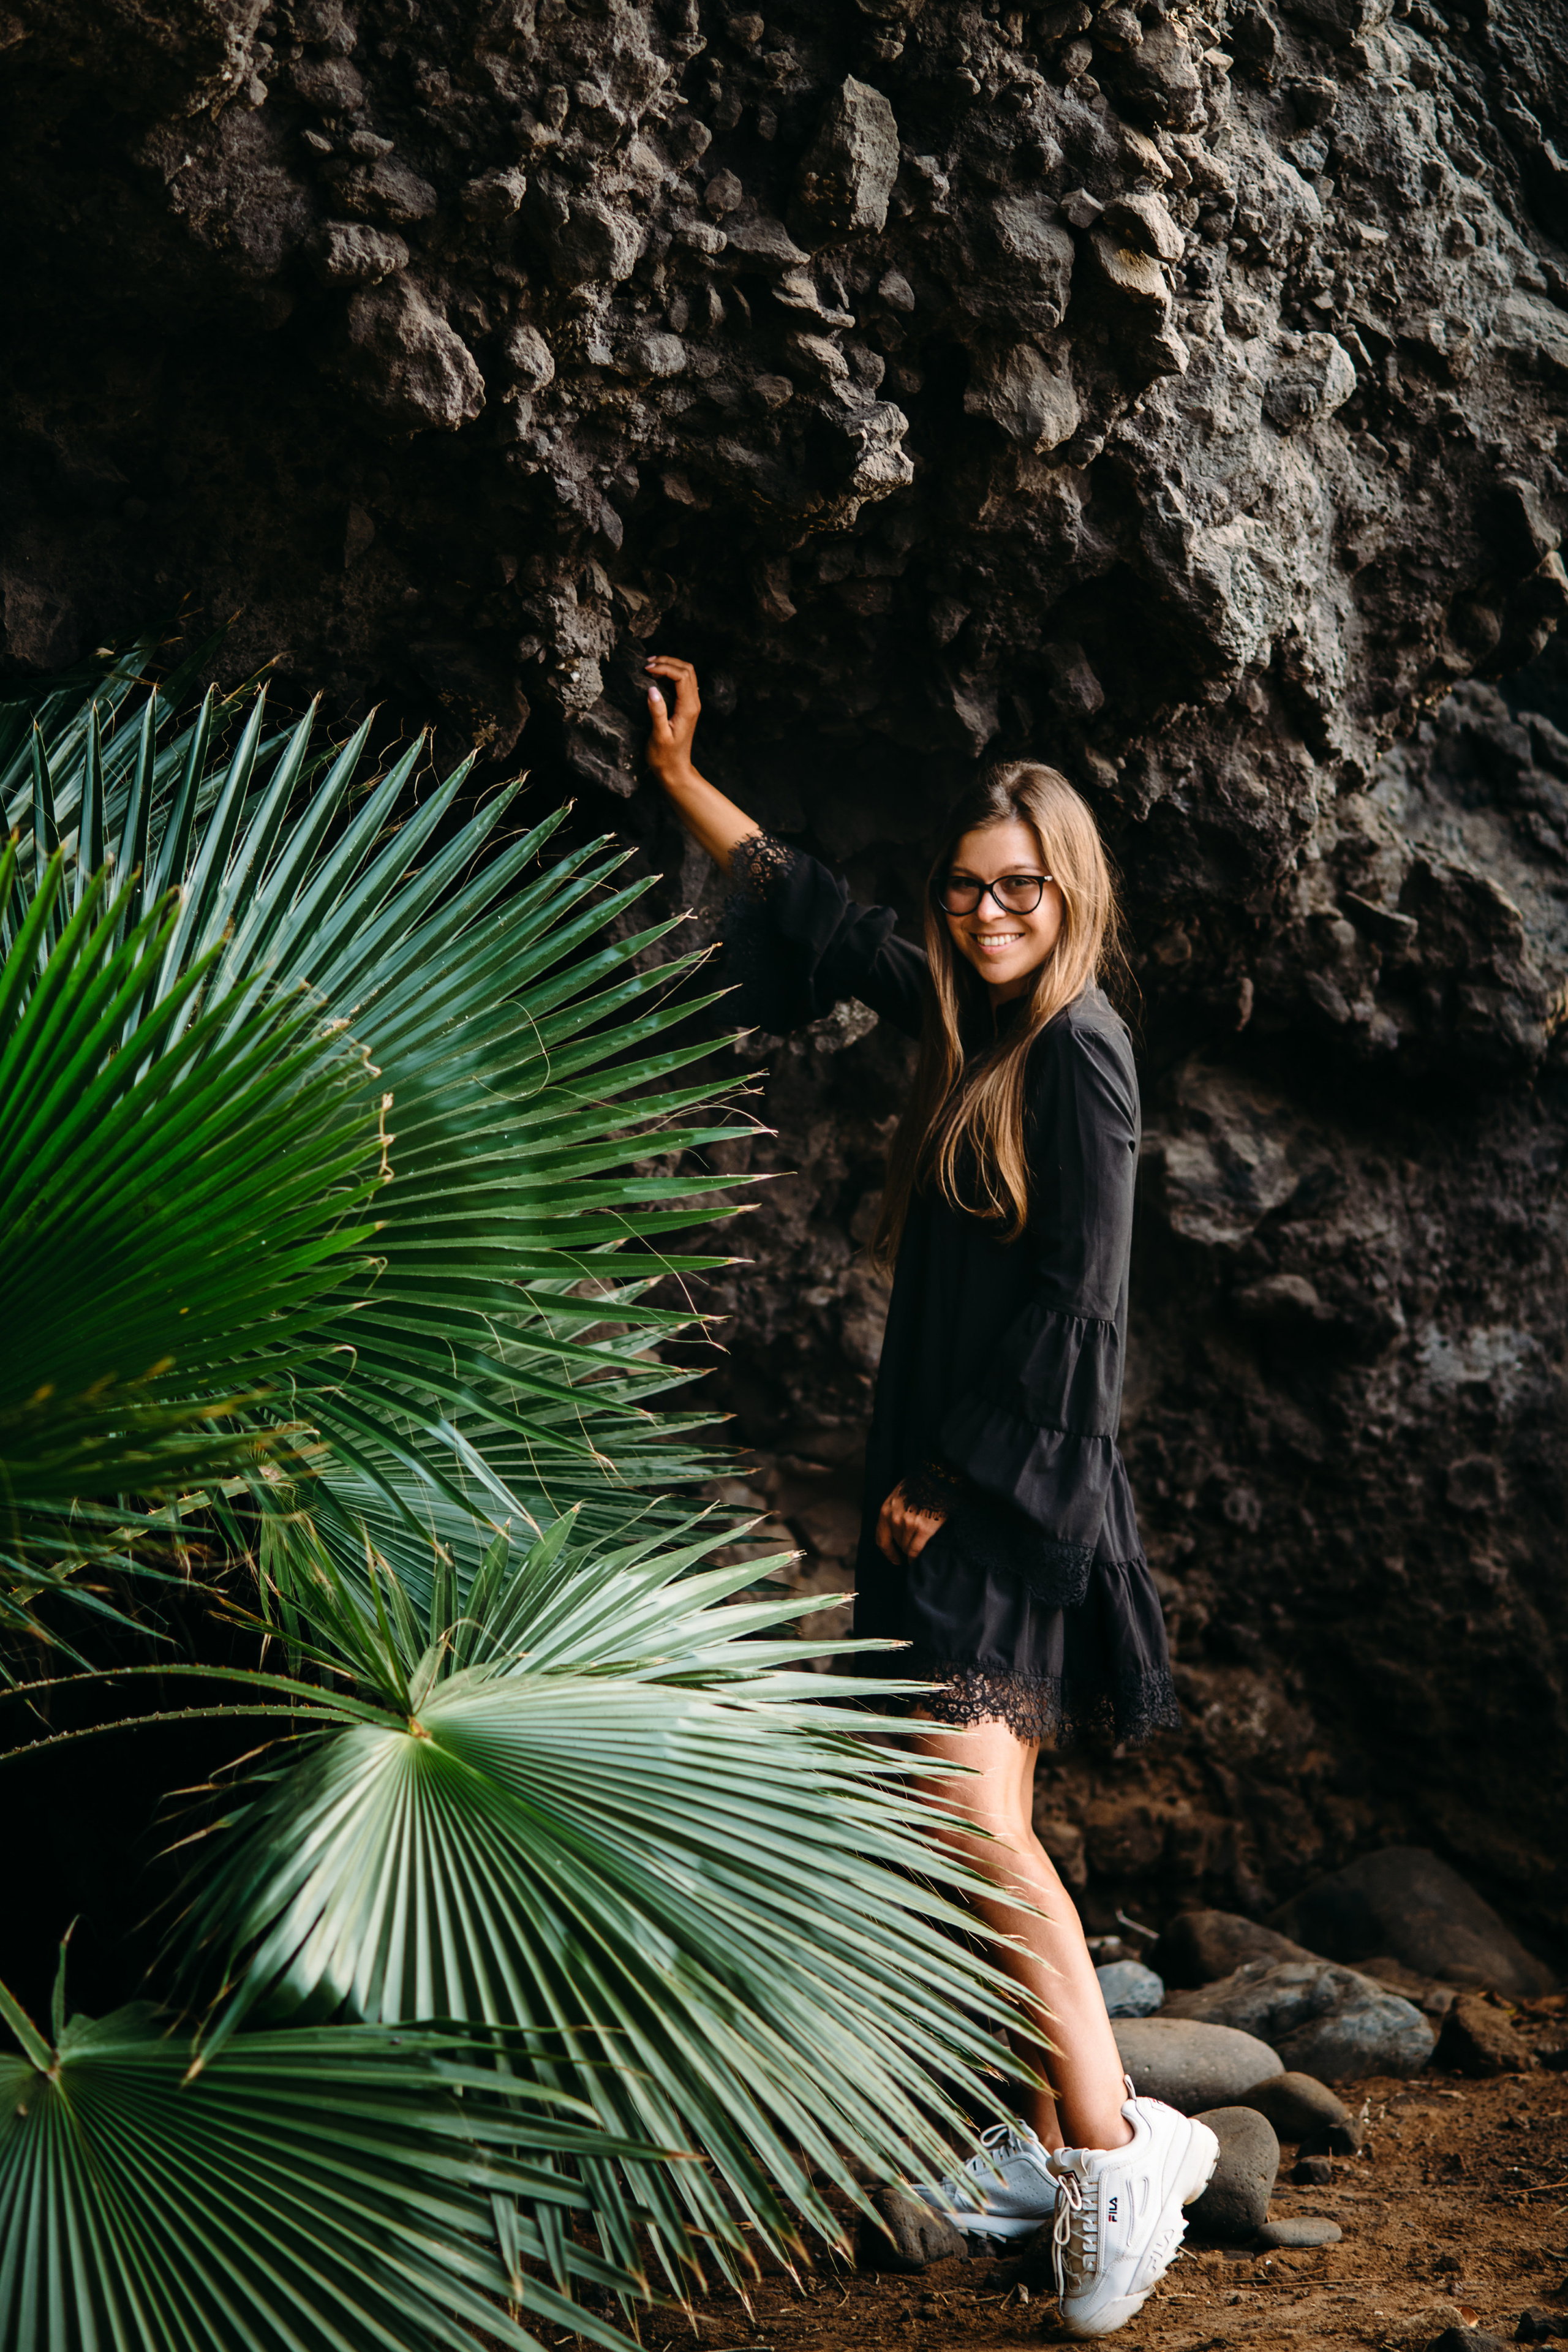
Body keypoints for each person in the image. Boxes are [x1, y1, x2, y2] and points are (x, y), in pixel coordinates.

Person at [642, 656, 1216, 2340]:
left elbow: (1080, 1308)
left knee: (972, 1822)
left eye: (1016, 889)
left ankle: (1119, 2160)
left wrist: (955, 1484)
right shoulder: (980, 1020)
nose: (982, 915)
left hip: (1005, 1494)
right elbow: (821, 924)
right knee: (966, 1825)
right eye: (965, 891)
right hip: (948, 1485)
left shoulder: (1084, 1053)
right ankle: (1066, 2137)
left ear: (1069, 890)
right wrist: (684, 777)